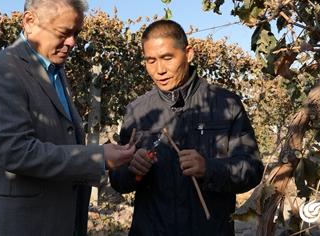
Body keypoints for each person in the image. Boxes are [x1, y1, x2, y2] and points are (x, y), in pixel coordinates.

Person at [0, 0, 135, 236]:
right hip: (15, 225)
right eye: (63, 33)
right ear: (29, 21)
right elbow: (17, 152)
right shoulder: (1, 71)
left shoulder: (55, 71)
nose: (72, 42)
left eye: (76, 33)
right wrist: (98, 157)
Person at [109, 20, 264, 235]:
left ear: (189, 53)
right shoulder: (137, 111)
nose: (159, 70)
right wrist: (133, 170)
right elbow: (118, 180)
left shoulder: (225, 104)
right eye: (151, 61)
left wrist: (209, 169)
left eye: (167, 58)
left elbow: (252, 169)